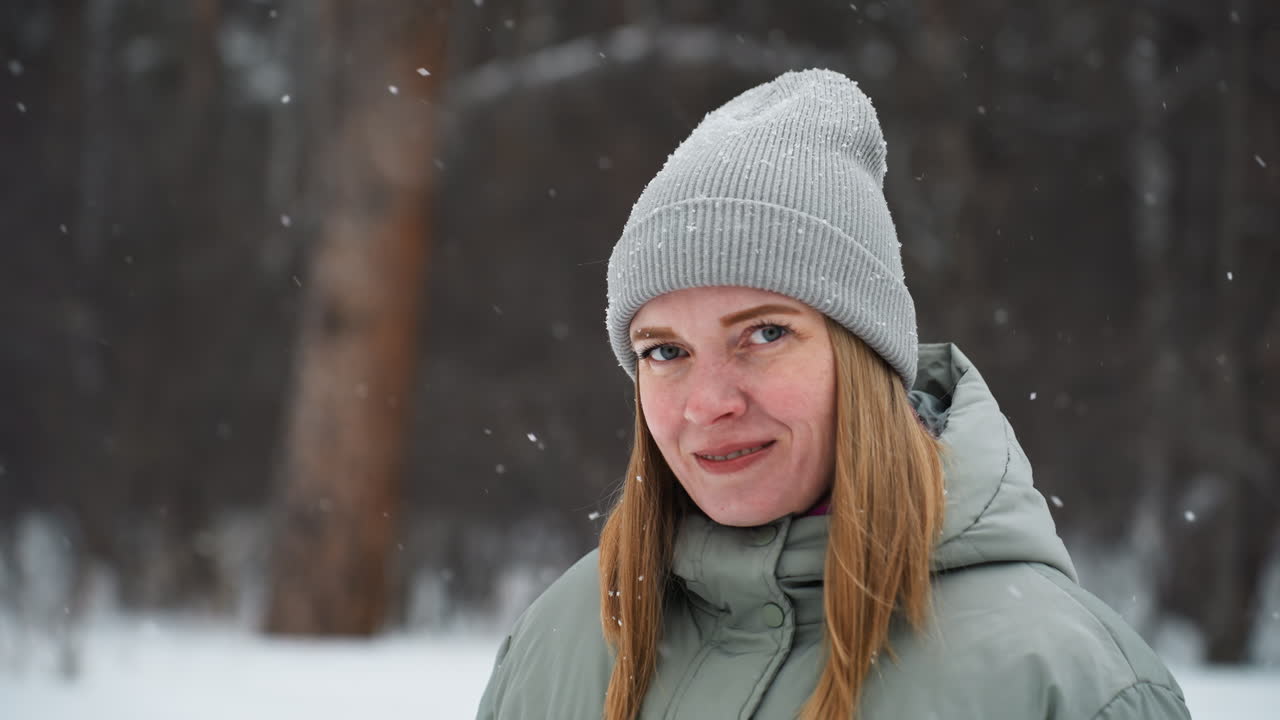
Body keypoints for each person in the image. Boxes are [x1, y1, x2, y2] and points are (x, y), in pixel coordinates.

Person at [476, 69, 1191, 719]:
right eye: (665, 351)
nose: (707, 403)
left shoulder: (1062, 681)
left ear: (864, 353)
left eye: (763, 335)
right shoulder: (564, 641)